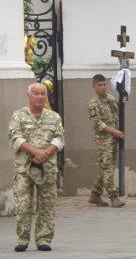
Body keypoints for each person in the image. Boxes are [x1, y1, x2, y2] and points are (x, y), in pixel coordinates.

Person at [8, 83, 65, 252]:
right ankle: (22, 239)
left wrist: (45, 153)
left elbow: (60, 139)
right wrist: (36, 152)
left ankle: (44, 239)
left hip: (47, 168)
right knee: (23, 204)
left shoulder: (54, 117)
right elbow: (15, 139)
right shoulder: (18, 116)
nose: (40, 97)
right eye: (36, 93)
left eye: (42, 94)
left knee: (47, 205)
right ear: (28, 95)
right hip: (24, 169)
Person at [87, 74, 125, 208]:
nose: (103, 87)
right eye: (100, 85)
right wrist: (114, 131)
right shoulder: (93, 103)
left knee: (106, 167)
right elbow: (98, 124)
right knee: (108, 167)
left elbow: (117, 111)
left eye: (104, 84)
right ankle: (113, 196)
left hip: (114, 138)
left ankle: (95, 195)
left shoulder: (110, 98)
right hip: (103, 140)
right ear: (94, 87)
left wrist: (123, 100)